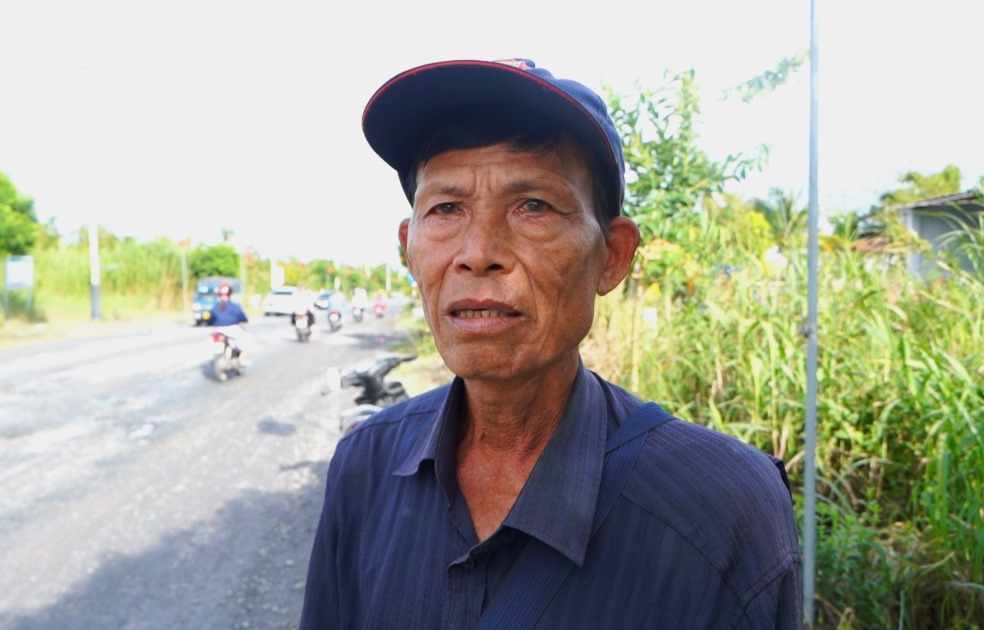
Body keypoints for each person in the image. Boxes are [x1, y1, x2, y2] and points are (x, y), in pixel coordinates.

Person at [300, 58, 802, 628]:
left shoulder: (722, 507)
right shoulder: (364, 466)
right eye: (445, 208)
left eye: (532, 205)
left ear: (611, 257)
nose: (477, 251)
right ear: (408, 248)